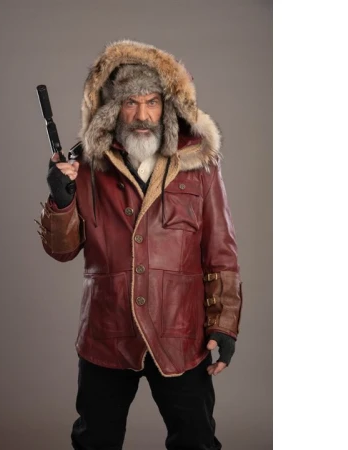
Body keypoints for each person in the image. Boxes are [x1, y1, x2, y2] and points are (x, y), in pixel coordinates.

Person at [35, 39, 243, 450]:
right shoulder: (86, 165)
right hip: (106, 333)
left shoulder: (198, 163)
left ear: (168, 107)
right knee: (95, 441)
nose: (142, 115)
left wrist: (224, 324)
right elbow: (62, 250)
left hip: (181, 335)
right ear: (114, 108)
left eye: (152, 102)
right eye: (131, 102)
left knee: (197, 441)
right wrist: (61, 199)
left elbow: (221, 251)